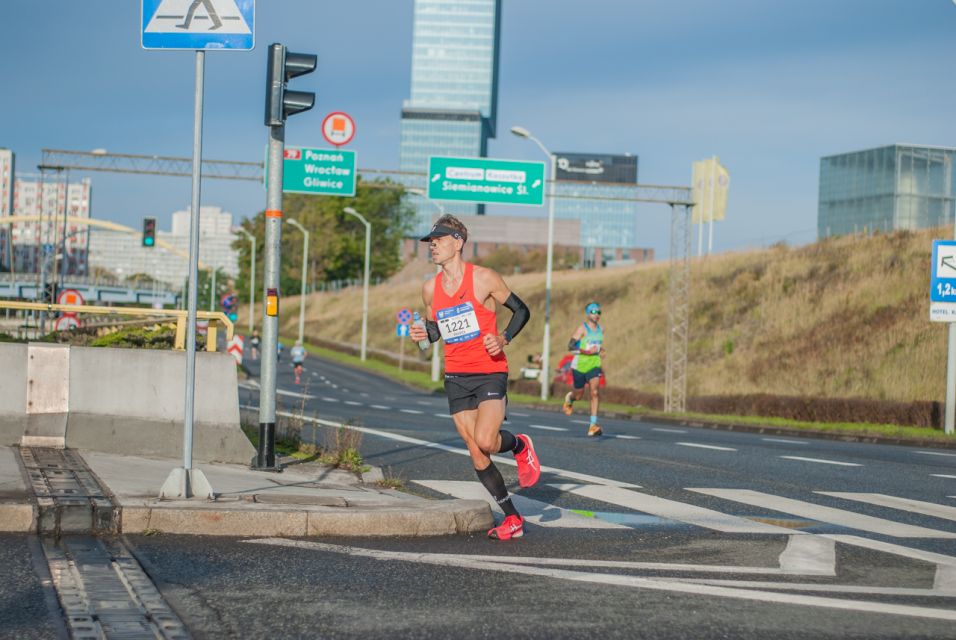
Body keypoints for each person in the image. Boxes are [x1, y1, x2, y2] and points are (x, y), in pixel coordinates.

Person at [409, 215, 538, 541]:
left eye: (438, 240)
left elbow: (521, 310)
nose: (432, 245)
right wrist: (422, 334)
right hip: (456, 375)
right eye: (430, 241)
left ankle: (520, 445)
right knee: (477, 452)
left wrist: (504, 338)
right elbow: (435, 332)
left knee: (486, 439)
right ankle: (513, 519)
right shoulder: (429, 288)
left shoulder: (484, 279)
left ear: (458, 242)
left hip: (489, 370)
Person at [562, 302, 605, 437]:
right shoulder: (582, 329)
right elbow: (570, 346)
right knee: (579, 395)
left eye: (598, 312)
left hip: (594, 364)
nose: (596, 314)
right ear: (588, 314)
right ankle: (570, 398)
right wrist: (585, 351)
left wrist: (601, 350)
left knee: (594, 392)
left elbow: (597, 346)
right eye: (593, 312)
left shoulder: (601, 329)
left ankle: (593, 425)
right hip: (580, 365)